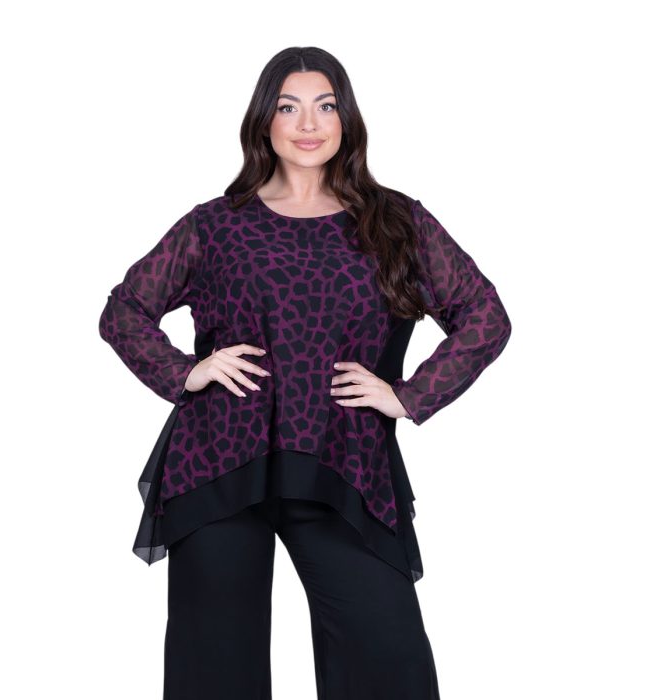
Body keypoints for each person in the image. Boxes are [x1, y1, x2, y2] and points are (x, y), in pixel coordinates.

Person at [98, 46, 512, 700]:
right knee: (215, 669)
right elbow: (124, 310)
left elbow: (485, 315)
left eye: (325, 105)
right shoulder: (216, 226)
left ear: (347, 118)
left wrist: (408, 396)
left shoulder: (396, 222)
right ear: (265, 120)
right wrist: (187, 372)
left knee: (388, 655)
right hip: (219, 460)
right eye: (289, 107)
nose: (309, 123)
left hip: (343, 461)